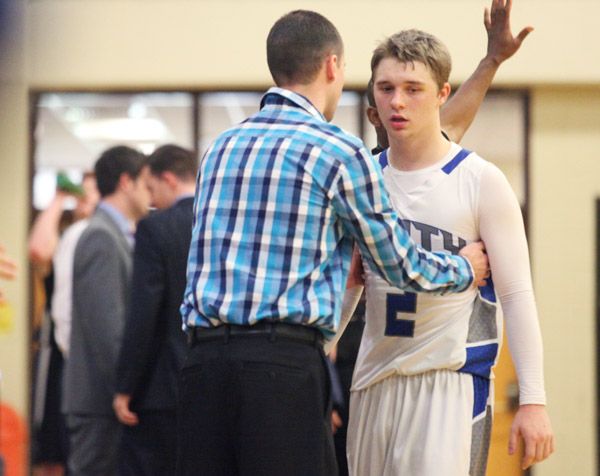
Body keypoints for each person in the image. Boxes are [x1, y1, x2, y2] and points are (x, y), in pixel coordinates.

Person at [178, 10, 489, 476]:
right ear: (332, 66)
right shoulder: (338, 150)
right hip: (280, 365)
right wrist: (465, 268)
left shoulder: (221, 146)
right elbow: (400, 265)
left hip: (202, 365)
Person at [332, 2, 535, 472]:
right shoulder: (360, 181)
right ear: (372, 107)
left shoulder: (478, 178)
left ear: (439, 93)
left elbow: (519, 295)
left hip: (449, 380)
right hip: (372, 379)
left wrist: (534, 400)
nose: (398, 101)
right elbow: (339, 297)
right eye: (387, 90)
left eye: (412, 90)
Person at [62, 145, 150, 476]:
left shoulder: (116, 234)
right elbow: (107, 329)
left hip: (104, 400)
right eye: (144, 182)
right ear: (126, 182)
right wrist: (125, 388)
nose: (149, 192)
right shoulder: (100, 236)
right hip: (100, 401)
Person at [112, 144, 196, 476]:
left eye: (151, 188)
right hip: (210, 381)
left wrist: (125, 386)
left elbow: (143, 314)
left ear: (168, 179)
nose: (150, 200)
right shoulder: (220, 222)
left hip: (161, 386)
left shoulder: (156, 228)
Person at [28, 172, 99, 476]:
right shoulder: (68, 236)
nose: (86, 195)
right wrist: (59, 198)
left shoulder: (118, 234)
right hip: (60, 351)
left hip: (96, 354)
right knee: (55, 445)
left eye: (93, 188)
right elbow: (38, 250)